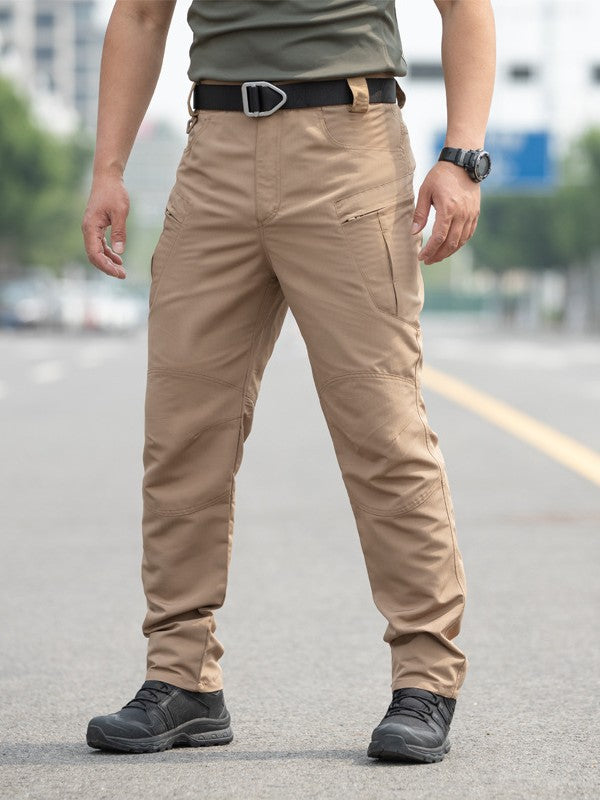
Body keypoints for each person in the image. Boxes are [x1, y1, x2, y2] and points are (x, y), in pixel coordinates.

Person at [81, 0, 495, 763]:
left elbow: (465, 8)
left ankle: (425, 678)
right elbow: (141, 15)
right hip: (215, 152)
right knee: (182, 432)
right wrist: (107, 168)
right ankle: (182, 679)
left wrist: (461, 155)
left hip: (349, 144)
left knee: (383, 431)